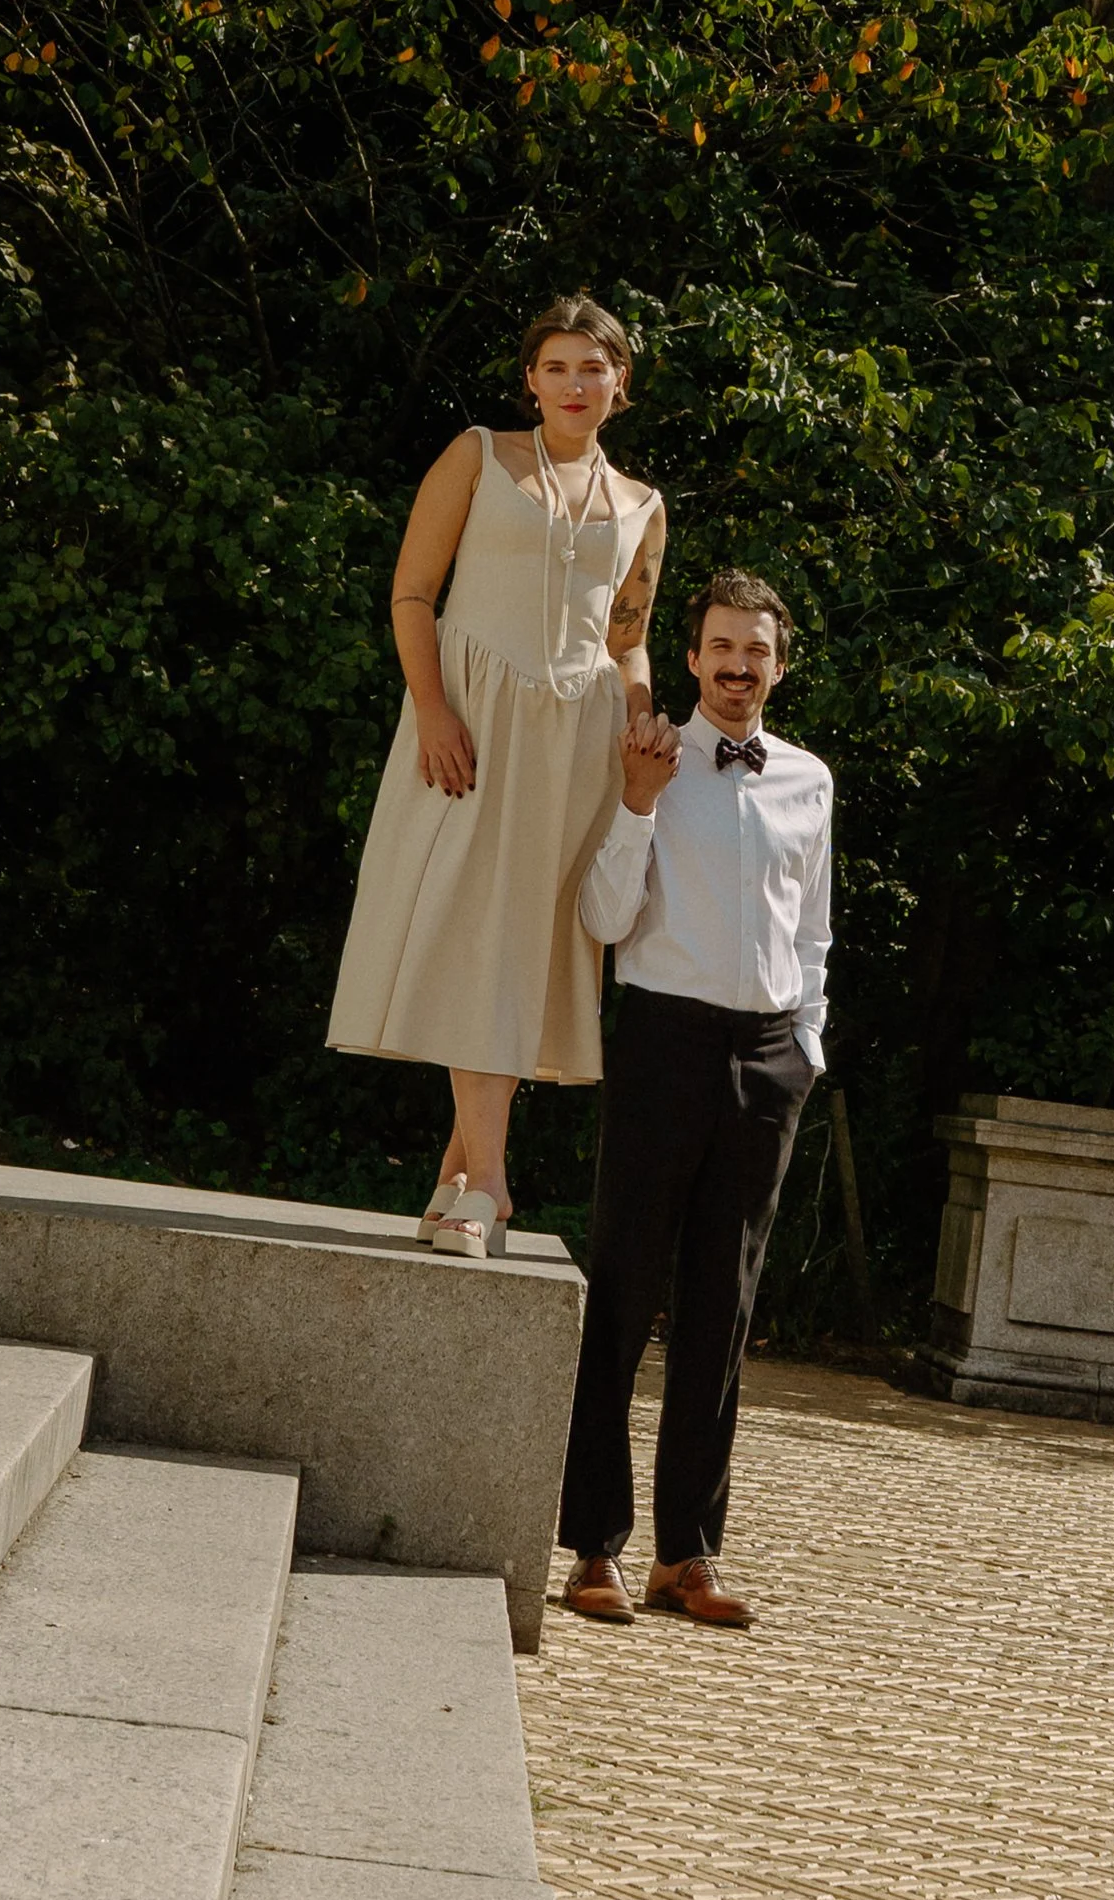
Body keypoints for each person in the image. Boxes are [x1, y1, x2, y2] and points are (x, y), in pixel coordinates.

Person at [326, 295, 665, 1257]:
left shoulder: (643, 506)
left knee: (517, 954)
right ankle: (497, 1187)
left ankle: (458, 1184)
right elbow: (411, 591)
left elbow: (628, 643)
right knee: (467, 940)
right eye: (556, 367)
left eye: (591, 369)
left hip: (579, 745)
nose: (573, 384)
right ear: (531, 379)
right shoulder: (476, 455)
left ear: (619, 385)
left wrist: (640, 732)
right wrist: (433, 709)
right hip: (472, 727)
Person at [556, 568, 831, 1626]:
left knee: (723, 1312)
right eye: (720, 646)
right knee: (623, 1294)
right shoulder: (650, 754)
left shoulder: (809, 780)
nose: (736, 666)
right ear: (690, 657)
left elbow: (812, 931)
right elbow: (602, 916)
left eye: (755, 650)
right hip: (663, 1038)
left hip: (767, 1060)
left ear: (778, 664)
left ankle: (689, 1555)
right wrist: (635, 802)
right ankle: (595, 1549)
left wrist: (804, 1044)